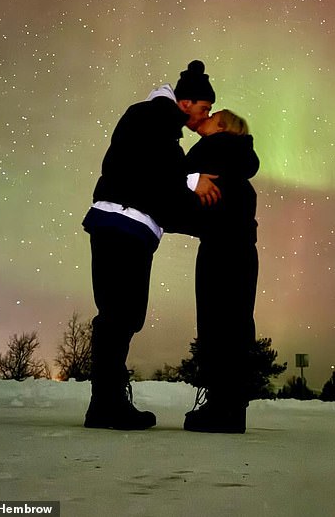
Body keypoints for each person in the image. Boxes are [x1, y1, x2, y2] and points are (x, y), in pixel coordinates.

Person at [81, 60, 220, 430]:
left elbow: (157, 185)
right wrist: (193, 181)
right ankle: (106, 405)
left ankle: (105, 403)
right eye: (204, 109)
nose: (202, 118)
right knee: (118, 314)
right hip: (123, 223)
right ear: (186, 102)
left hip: (127, 225)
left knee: (121, 314)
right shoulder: (153, 117)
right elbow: (156, 173)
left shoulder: (160, 126)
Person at [182, 110, 260, 433]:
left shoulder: (210, 151)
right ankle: (233, 408)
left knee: (214, 322)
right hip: (244, 251)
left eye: (215, 116)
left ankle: (217, 407)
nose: (208, 117)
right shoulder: (242, 165)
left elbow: (176, 173)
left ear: (224, 128)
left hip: (218, 248)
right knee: (239, 323)